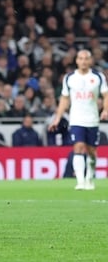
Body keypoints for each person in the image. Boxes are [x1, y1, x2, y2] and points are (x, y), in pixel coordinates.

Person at [48, 49, 108, 190]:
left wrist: (105, 110)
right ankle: (80, 181)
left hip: (92, 119)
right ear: (76, 60)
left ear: (90, 60)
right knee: (78, 147)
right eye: (80, 58)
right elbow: (64, 98)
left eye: (86, 58)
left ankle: (89, 178)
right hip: (76, 119)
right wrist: (57, 118)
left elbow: (106, 95)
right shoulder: (69, 78)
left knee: (92, 151)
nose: (83, 61)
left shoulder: (98, 77)